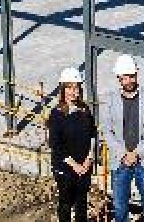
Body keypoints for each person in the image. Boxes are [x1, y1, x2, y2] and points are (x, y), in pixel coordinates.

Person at [100, 54, 144, 222]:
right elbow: (107, 130)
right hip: (120, 162)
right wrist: (123, 154)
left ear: (136, 75)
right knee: (120, 206)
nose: (128, 81)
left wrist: (138, 153)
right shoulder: (111, 100)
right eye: (124, 77)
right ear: (119, 78)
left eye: (131, 76)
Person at [47, 67, 96, 222]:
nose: (73, 91)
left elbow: (93, 134)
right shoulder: (56, 114)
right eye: (69, 87)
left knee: (82, 203)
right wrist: (74, 165)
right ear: (63, 90)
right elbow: (56, 144)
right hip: (65, 168)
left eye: (76, 87)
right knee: (66, 203)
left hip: (84, 167)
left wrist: (89, 158)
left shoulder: (84, 110)